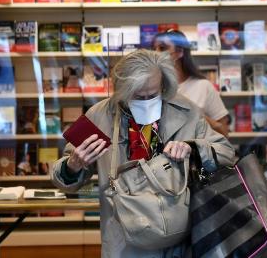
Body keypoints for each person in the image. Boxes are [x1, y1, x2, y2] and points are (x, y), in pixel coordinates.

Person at [51, 49, 236, 258]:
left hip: (179, 236)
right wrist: (73, 166)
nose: (147, 101)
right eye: (138, 96)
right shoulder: (99, 116)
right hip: (125, 239)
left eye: (153, 94)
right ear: (122, 89)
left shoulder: (186, 110)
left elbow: (226, 153)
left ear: (164, 85)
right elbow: (64, 177)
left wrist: (193, 148)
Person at [152, 29, 231, 137]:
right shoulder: (151, 88)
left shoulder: (203, 87)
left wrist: (196, 114)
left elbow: (224, 132)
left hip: (195, 152)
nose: (156, 53)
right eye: (153, 49)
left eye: (162, 48)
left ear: (180, 52)